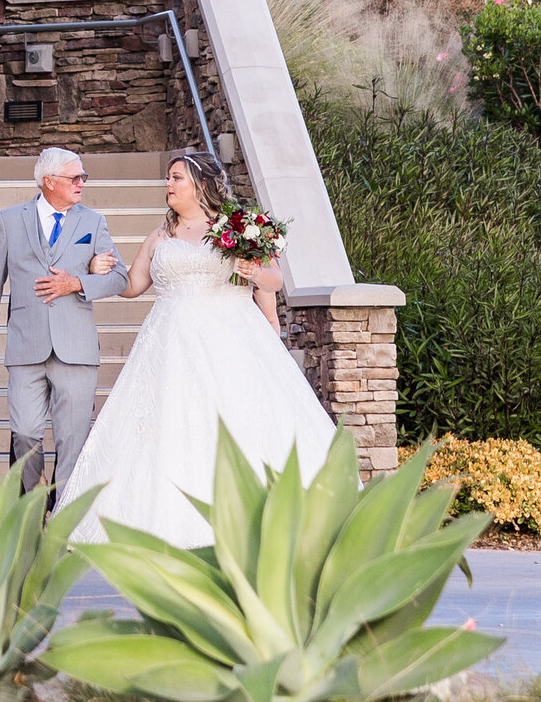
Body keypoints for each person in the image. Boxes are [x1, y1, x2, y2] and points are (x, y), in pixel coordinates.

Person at [55, 149, 337, 546]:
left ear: (201, 184)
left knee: (238, 422)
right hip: (168, 342)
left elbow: (273, 281)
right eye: (168, 178)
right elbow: (133, 286)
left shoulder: (238, 229)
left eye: (176, 178)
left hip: (231, 340)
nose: (168, 185)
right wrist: (92, 272)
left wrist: (255, 271)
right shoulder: (160, 235)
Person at [0, 146, 129, 497]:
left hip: (76, 349)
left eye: (83, 176)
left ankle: (62, 516)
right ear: (48, 181)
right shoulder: (10, 220)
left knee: (72, 441)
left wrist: (76, 282)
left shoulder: (92, 222)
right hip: (26, 346)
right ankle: (35, 499)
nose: (81, 183)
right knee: (25, 432)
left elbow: (120, 278)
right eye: (75, 177)